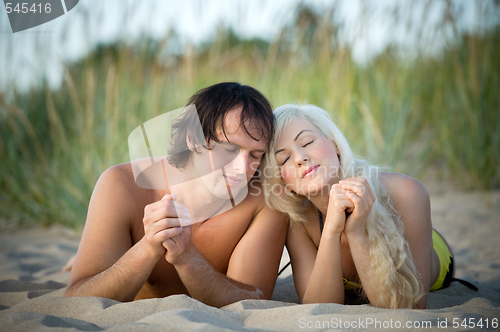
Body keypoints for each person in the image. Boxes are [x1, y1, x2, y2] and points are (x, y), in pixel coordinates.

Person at [65, 82, 287, 308]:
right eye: (229, 149)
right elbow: (77, 300)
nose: (242, 167)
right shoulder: (122, 184)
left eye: (255, 155)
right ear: (193, 139)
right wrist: (147, 249)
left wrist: (187, 257)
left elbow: (255, 300)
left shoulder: (265, 200)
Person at [261, 103, 463, 309]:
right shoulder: (299, 221)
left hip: (430, 248)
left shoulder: (406, 192)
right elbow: (319, 307)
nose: (300, 158)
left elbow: (411, 307)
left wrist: (357, 232)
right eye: (284, 158)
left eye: (307, 142)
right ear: (282, 182)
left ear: (335, 144)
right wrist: (331, 231)